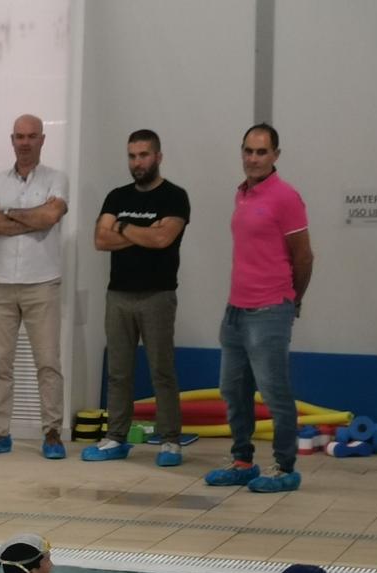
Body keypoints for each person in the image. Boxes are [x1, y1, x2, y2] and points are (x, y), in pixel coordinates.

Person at [207, 124, 313, 495]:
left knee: (274, 392)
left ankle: (285, 467)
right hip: (235, 310)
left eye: (262, 152)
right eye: (248, 151)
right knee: (233, 391)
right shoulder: (243, 194)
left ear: (276, 156)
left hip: (270, 309)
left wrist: (290, 300)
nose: (253, 159)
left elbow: (303, 257)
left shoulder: (286, 197)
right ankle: (242, 461)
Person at [0, 115, 69, 460]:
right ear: (12, 140)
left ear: (42, 140)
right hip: (0, 285)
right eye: (19, 136)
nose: (25, 142)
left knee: (48, 363)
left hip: (42, 284)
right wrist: (30, 216)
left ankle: (53, 432)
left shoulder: (57, 178)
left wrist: (7, 216)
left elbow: (50, 218)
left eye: (32, 136)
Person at [88, 131, 192, 468]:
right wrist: (140, 233)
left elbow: (163, 238)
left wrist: (122, 228)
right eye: (132, 156)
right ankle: (116, 437)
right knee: (119, 372)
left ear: (158, 156)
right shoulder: (116, 196)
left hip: (158, 295)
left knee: (162, 370)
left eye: (144, 155)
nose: (137, 162)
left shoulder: (175, 197)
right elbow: (100, 240)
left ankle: (170, 440)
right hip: (118, 294)